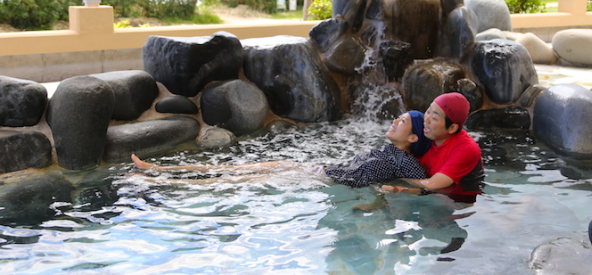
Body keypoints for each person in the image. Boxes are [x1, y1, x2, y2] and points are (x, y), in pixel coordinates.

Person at [131, 111, 432, 189]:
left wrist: (404, 190)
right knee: (239, 170)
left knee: (237, 180)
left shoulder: (404, 162)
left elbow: (428, 184)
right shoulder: (386, 151)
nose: (395, 121)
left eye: (402, 121)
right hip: (318, 170)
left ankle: (161, 181)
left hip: (321, 180)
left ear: (414, 138)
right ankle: (158, 169)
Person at [383, 92, 484, 201]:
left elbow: (432, 184)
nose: (426, 119)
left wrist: (399, 178)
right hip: (427, 191)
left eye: (434, 118)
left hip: (456, 201)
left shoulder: (466, 149)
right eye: (428, 111)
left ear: (452, 128)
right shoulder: (429, 134)